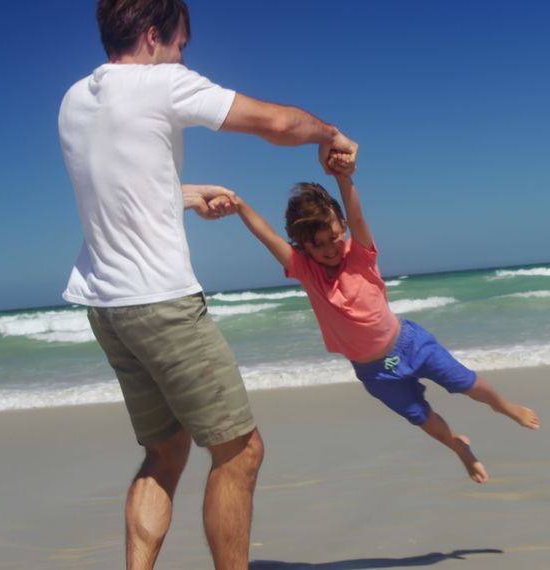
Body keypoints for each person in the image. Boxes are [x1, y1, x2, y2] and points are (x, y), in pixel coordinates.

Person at [58, 1, 357, 568]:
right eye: (180, 45)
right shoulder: (160, 83)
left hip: (106, 306)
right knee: (240, 451)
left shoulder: (75, 101)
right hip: (162, 303)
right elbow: (276, 122)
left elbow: (119, 183)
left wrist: (184, 196)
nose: (182, 56)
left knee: (166, 451)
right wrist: (329, 133)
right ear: (153, 37)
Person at [220, 157, 539, 484]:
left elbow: (357, 215)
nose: (330, 248)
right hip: (375, 373)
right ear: (304, 247)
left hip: (411, 345)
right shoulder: (305, 270)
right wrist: (240, 206)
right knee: (423, 419)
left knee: (467, 383)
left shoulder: (359, 255)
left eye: (333, 237)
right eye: (318, 245)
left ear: (341, 228)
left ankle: (503, 406)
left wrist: (344, 179)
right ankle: (460, 448)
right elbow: (268, 237)